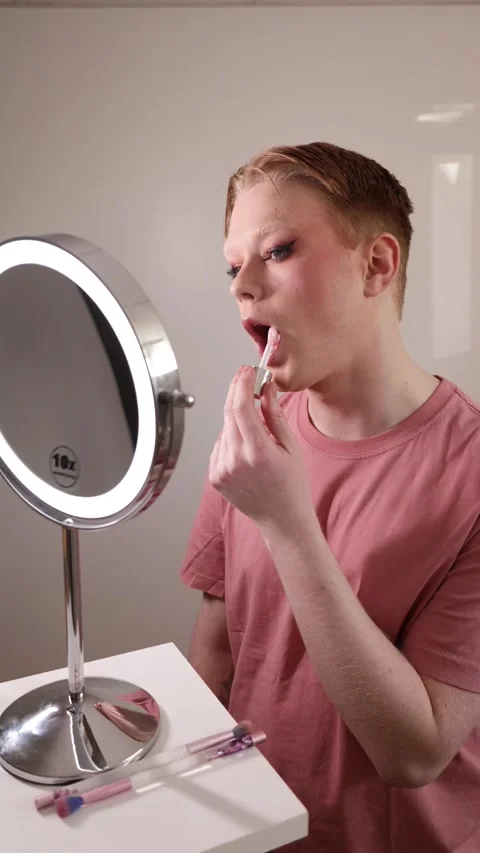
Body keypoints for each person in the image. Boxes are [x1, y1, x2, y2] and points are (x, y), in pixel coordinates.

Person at [180, 142, 480, 852]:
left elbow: (416, 753)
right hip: (256, 833)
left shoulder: (469, 474)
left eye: (278, 249)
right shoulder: (253, 441)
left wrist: (285, 520)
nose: (241, 285)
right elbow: (218, 647)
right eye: (233, 265)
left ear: (377, 264)